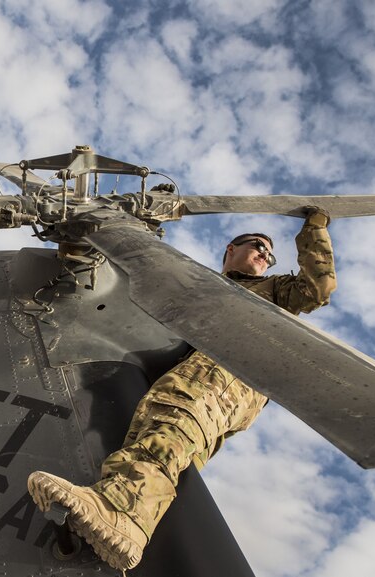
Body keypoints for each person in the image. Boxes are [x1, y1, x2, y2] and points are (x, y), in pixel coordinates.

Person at [28, 207, 336, 571]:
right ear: (230, 249)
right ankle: (118, 516)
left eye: (270, 254)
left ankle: (122, 513)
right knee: (156, 427)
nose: (264, 256)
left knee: (175, 425)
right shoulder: (200, 289)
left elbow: (318, 288)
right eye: (257, 246)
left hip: (228, 375)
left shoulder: (272, 290)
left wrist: (315, 227)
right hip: (187, 377)